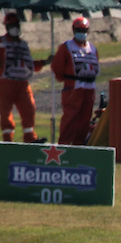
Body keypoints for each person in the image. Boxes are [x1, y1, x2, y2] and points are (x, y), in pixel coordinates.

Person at [0, 12, 47, 143]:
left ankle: (30, 139)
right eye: (12, 25)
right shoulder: (1, 42)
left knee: (29, 110)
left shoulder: (23, 44)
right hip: (5, 83)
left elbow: (29, 64)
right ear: (7, 27)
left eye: (16, 25)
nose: (15, 27)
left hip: (22, 83)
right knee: (5, 113)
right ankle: (7, 140)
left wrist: (44, 62)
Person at [51, 16, 98, 145]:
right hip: (73, 88)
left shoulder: (93, 49)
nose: (81, 32)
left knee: (84, 121)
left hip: (89, 88)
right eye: (79, 29)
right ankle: (64, 146)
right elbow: (57, 67)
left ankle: (79, 147)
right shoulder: (66, 47)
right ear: (73, 30)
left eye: (84, 30)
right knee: (70, 119)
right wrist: (67, 80)